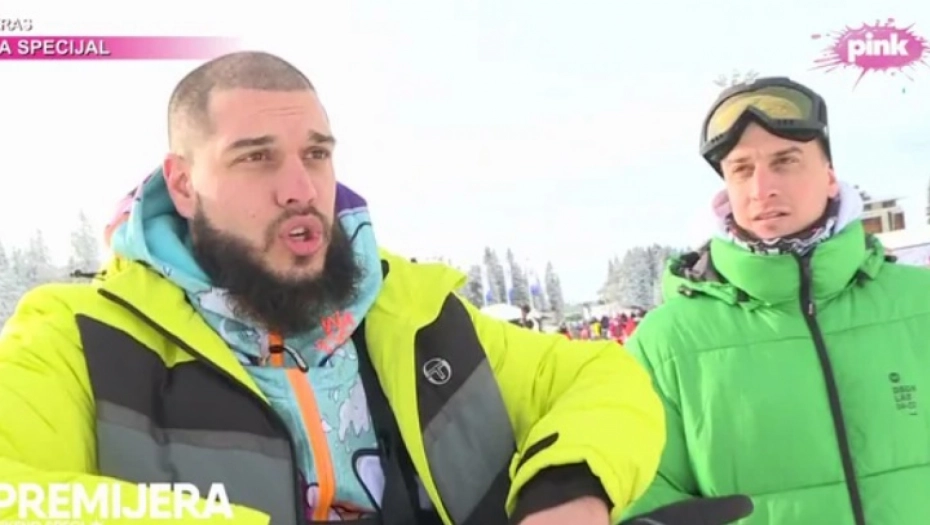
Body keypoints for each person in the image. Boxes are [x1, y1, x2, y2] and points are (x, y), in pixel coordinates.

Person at [0, 51, 667, 525]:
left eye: (316, 154)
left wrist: (568, 488)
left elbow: (602, 378)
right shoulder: (81, 337)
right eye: (256, 157)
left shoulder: (414, 314)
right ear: (183, 184)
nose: (300, 188)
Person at [622, 76, 930, 524]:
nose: (761, 188)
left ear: (829, 176)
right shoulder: (666, 343)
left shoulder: (920, 303)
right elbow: (637, 485)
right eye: (741, 169)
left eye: (785, 161)